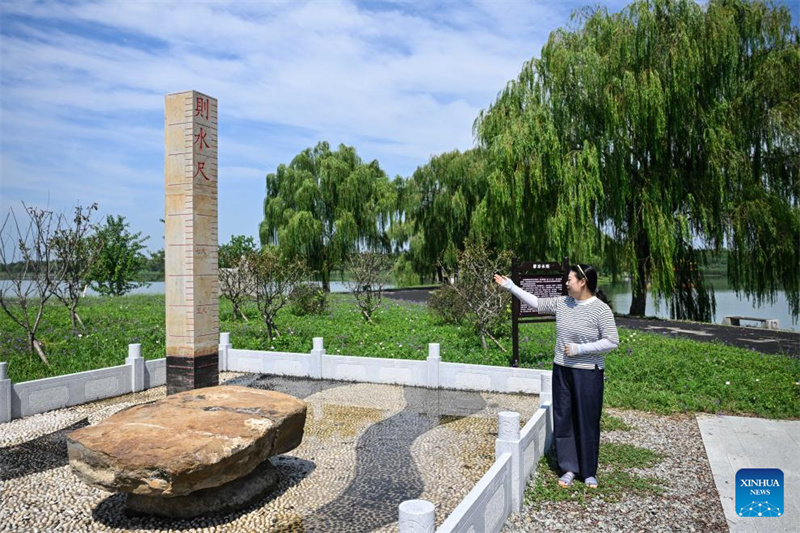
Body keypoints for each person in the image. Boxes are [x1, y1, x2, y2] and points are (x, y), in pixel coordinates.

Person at [494, 264, 618, 489]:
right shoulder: (563, 303)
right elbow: (537, 302)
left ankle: (589, 471)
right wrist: (511, 286)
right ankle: (568, 467)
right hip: (562, 369)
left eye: (570, 279)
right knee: (564, 419)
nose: (566, 282)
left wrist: (581, 349)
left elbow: (612, 341)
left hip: (588, 373)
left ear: (583, 282)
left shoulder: (600, 310)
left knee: (587, 420)